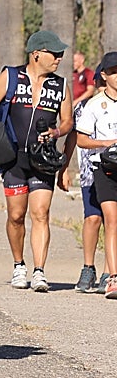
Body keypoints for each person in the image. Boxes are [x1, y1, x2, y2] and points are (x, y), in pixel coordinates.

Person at [0, 30, 72, 293]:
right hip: (13, 158)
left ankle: (39, 271)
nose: (59, 58)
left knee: (41, 213)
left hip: (43, 159)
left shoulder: (60, 85)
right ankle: (19, 265)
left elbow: (68, 121)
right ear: (36, 53)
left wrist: (57, 132)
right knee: (16, 216)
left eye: (61, 54)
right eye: (54, 53)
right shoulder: (11, 76)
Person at [72, 52, 117, 298]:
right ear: (103, 76)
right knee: (103, 219)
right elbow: (79, 139)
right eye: (112, 72)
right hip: (101, 168)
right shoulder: (93, 105)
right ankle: (104, 275)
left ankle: (109, 272)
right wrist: (107, 143)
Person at [59, 93, 107, 293]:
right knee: (92, 219)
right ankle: (88, 268)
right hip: (90, 173)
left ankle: (109, 273)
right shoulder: (84, 107)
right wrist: (64, 168)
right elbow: (73, 138)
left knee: (112, 222)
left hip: (113, 173)